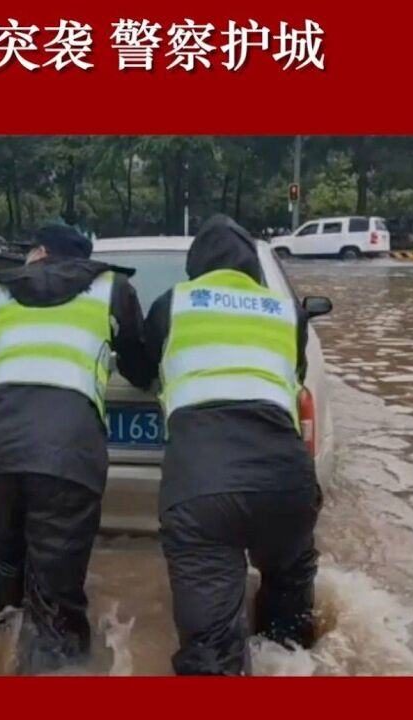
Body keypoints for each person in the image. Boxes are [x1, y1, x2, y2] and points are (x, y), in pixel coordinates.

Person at [0, 225, 153, 673]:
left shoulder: (0, 288)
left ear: (42, 253)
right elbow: (138, 361)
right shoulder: (113, 287)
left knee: (7, 550)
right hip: (66, 445)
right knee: (56, 584)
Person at [144, 215, 321, 675]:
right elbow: (294, 378)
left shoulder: (172, 305)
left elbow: (144, 367)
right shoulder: (287, 311)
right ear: (253, 268)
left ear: (194, 267)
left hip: (201, 488)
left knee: (211, 651)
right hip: (288, 482)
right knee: (290, 623)